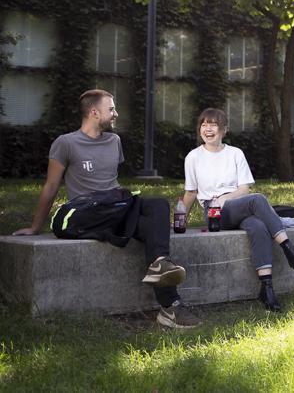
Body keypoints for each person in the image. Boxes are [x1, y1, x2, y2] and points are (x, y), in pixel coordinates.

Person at [13, 89, 201, 329]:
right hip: (91, 213)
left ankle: (163, 277)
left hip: (117, 207)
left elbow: (109, 180)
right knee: (151, 227)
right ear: (94, 112)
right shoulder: (66, 143)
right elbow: (50, 187)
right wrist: (35, 227)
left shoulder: (114, 141)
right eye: (111, 109)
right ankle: (170, 300)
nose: (116, 114)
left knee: (158, 206)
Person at [181, 108, 294, 312]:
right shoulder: (193, 157)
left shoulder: (235, 154)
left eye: (213, 124)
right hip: (214, 212)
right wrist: (179, 219)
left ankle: (267, 289)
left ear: (224, 129)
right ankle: (287, 247)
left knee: (258, 226)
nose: (208, 128)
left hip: (236, 204)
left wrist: (224, 198)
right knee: (257, 199)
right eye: (204, 124)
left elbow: (243, 188)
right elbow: (191, 192)